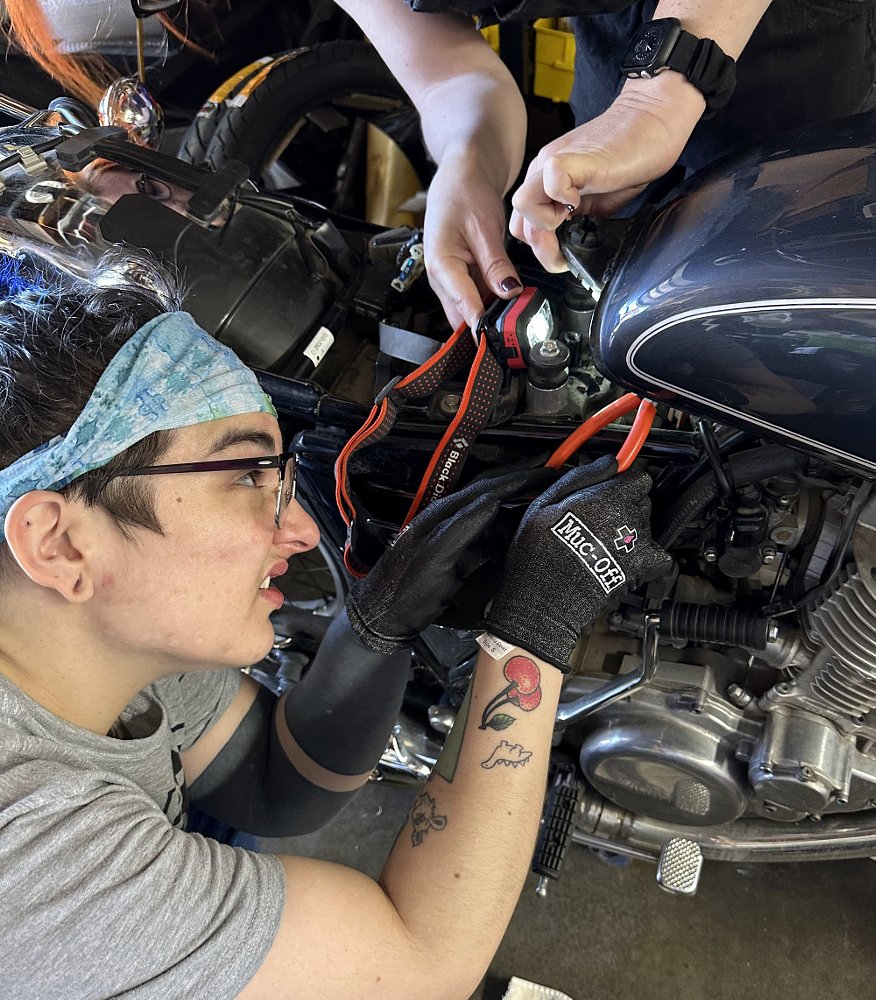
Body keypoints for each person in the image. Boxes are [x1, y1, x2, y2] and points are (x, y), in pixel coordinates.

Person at [0, 245, 671, 998]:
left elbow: (275, 785)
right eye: (245, 475)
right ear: (57, 543)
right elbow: (421, 970)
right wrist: (533, 636)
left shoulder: (99, 642)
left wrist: (376, 627)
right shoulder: (33, 856)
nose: (302, 531)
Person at [334, 0, 876, 331]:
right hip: (617, 28)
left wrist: (655, 100)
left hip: (776, 22)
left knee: (773, 282)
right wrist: (469, 157)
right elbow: (449, 75)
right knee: (611, 222)